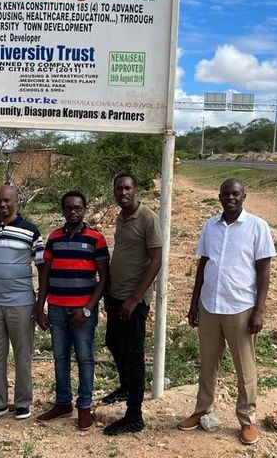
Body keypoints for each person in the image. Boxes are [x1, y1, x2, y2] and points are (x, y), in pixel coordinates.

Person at [178, 178, 276, 445]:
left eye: (235, 194)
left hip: (241, 307)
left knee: (245, 367)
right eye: (225, 194)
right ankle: (202, 410)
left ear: (244, 196)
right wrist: (194, 303)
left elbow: (264, 272)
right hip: (210, 305)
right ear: (219, 197)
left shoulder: (257, 227)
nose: (230, 198)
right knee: (207, 364)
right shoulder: (210, 226)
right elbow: (203, 265)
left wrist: (259, 310)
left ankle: (247, 420)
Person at [35, 191, 109, 431]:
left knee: (85, 359)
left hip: (82, 311)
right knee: (60, 358)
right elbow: (45, 273)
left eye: (77, 207)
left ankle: (84, 407)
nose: (73, 212)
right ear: (63, 210)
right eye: (68, 208)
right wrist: (40, 306)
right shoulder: (54, 238)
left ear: (85, 209)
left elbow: (104, 278)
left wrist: (87, 310)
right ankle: (63, 403)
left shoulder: (96, 239)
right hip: (56, 307)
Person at [0, 184, 45, 422]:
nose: (3, 205)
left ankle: (23, 402)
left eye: (7, 200)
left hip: (22, 303)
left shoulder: (31, 231)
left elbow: (42, 267)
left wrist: (39, 302)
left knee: (23, 355)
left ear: (17, 201)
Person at [102, 173, 162, 436]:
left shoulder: (147, 217)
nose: (122, 192)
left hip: (133, 300)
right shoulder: (121, 217)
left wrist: (135, 298)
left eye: (127, 188)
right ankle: (126, 386)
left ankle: (134, 415)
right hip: (116, 296)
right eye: (118, 188)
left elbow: (156, 260)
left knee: (134, 355)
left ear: (135, 190)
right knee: (113, 343)